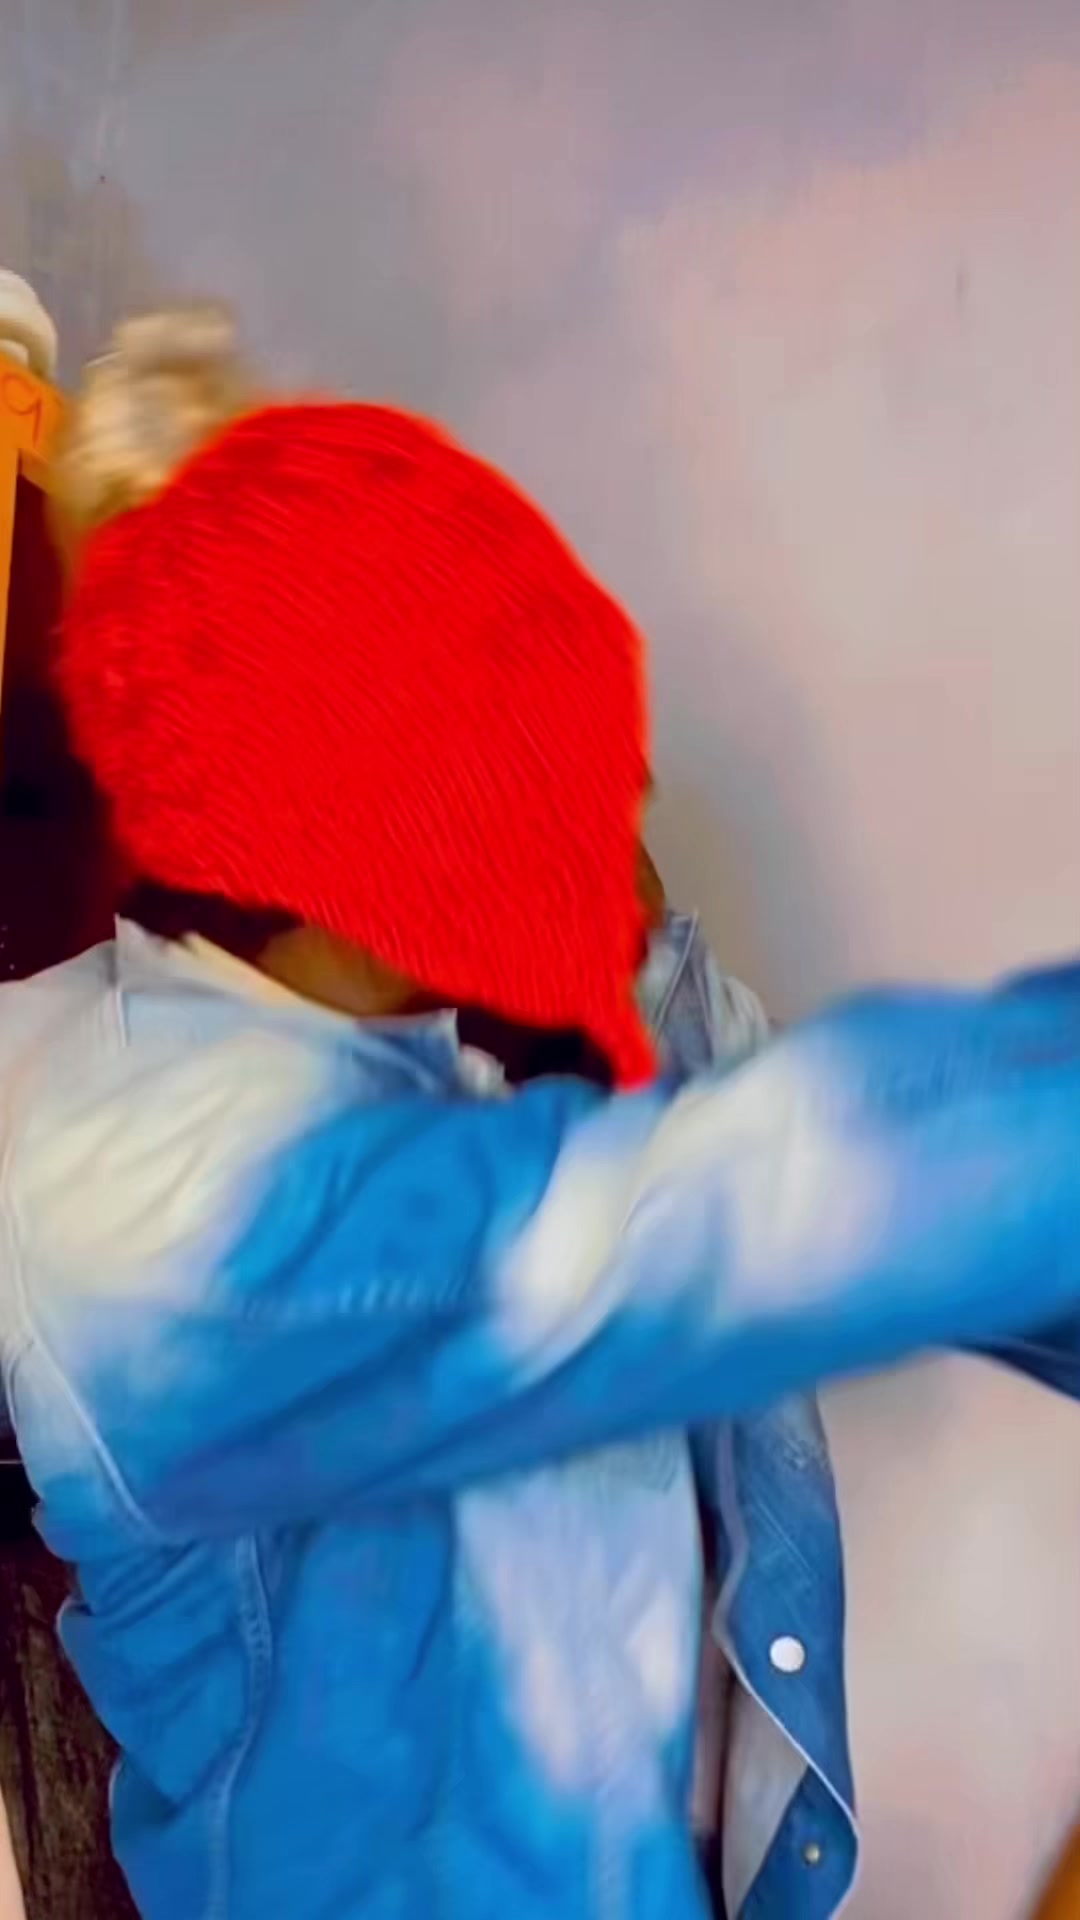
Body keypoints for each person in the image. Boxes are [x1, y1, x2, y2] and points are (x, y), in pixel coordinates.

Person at [2, 305, 1078, 1920]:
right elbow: (747, 1214)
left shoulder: (525, 1047)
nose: (614, 814)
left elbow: (898, 1216)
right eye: (553, 765)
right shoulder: (133, 1180)